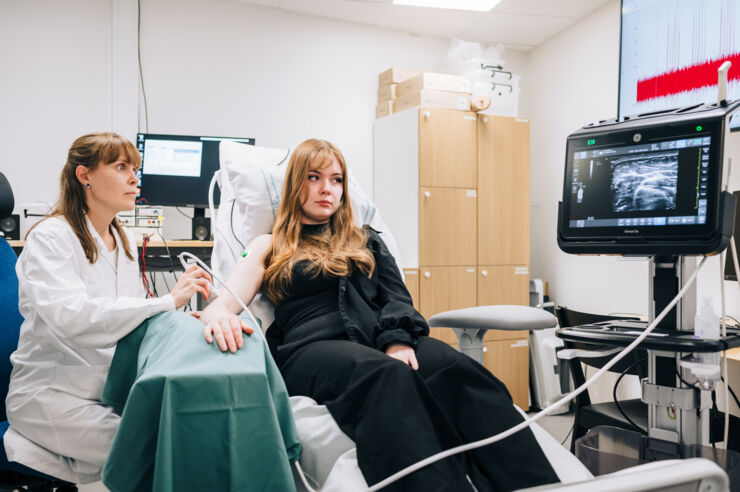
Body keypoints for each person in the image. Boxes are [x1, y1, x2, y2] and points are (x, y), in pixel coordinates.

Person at [198, 138, 560, 491]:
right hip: (313, 347)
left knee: (458, 371)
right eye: (314, 177)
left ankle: (539, 485)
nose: (328, 189)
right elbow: (226, 300)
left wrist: (399, 339)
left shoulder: (366, 239)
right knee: (386, 377)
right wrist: (218, 315)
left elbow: (397, 298)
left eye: (336, 180)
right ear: (295, 184)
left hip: (379, 336)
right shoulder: (271, 244)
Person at [6, 132, 212, 482]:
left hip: (106, 388)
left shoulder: (124, 240)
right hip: (52, 394)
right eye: (120, 167)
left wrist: (177, 323)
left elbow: (126, 317)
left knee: (190, 427)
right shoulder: (51, 237)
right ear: (84, 175)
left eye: (135, 168)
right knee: (157, 447)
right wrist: (166, 302)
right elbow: (76, 319)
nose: (134, 178)